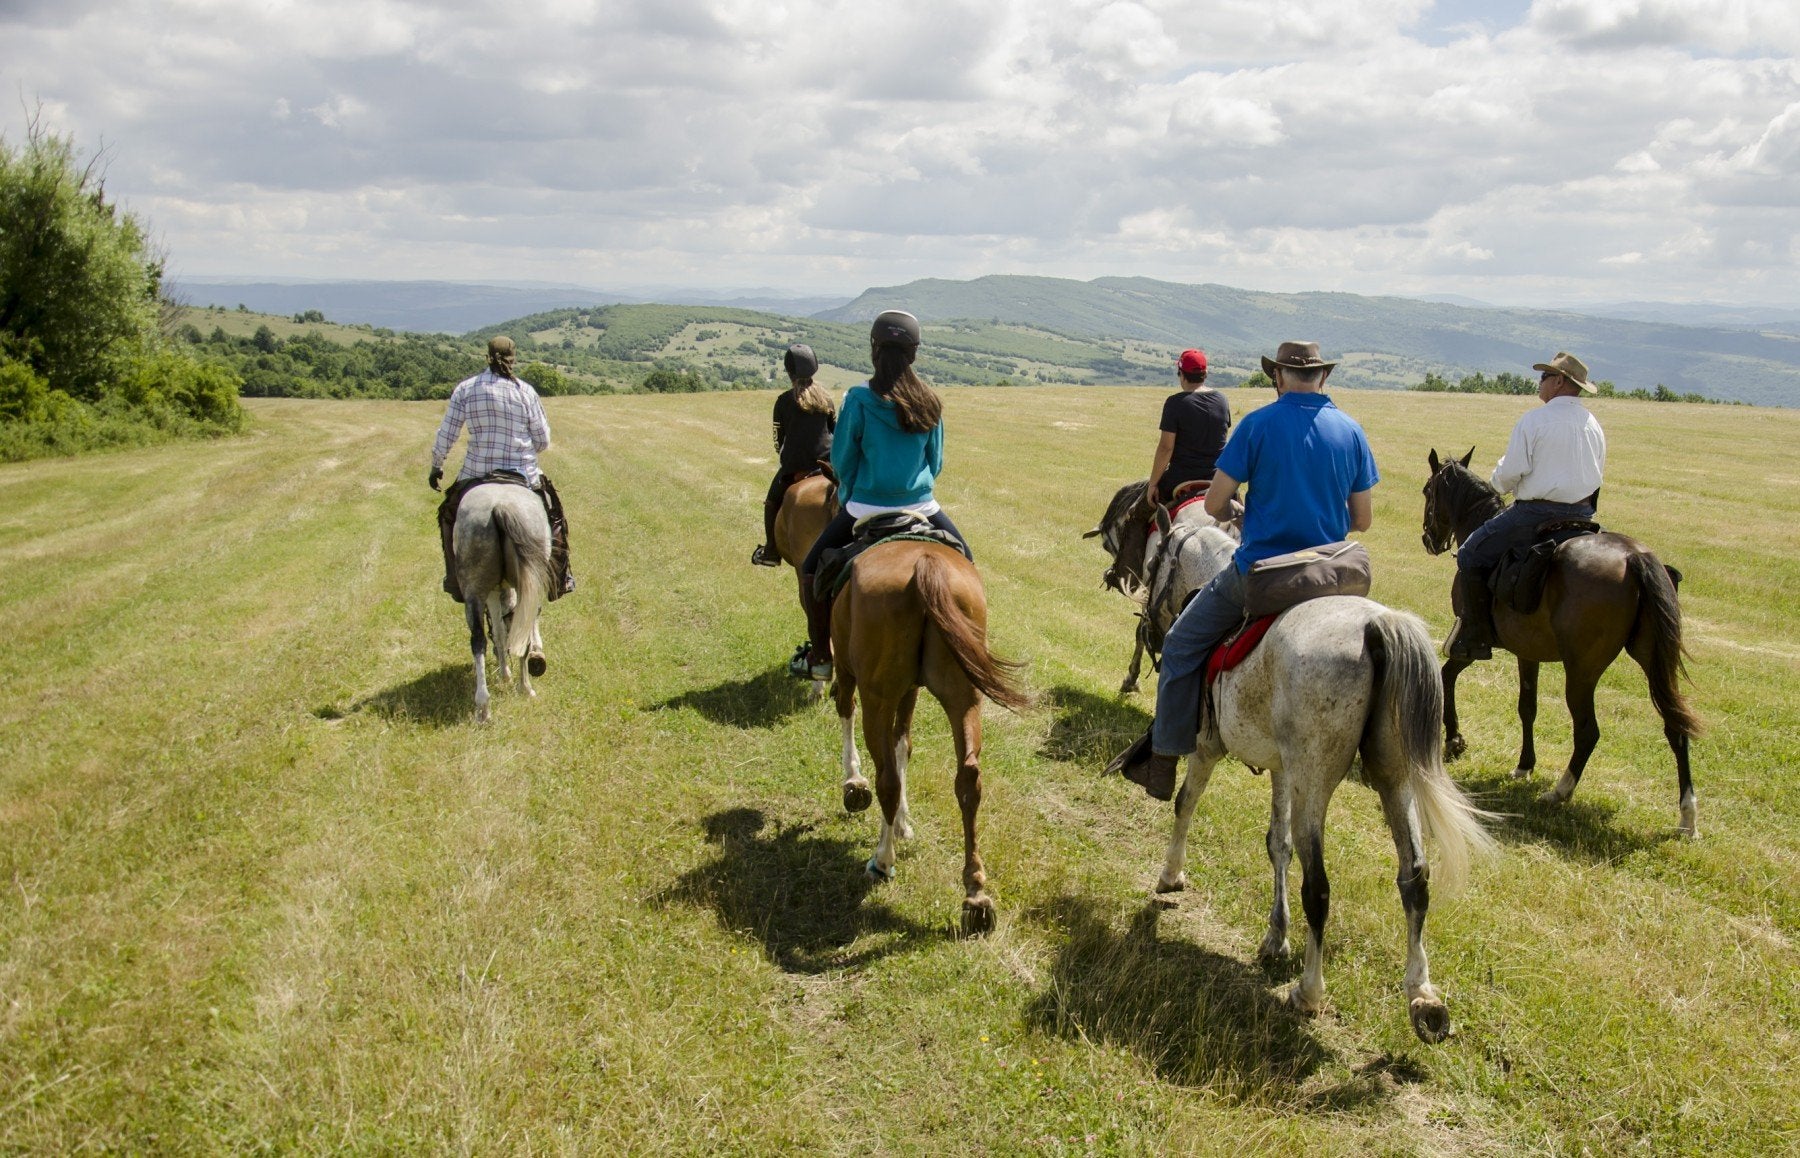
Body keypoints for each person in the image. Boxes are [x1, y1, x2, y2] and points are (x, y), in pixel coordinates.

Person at [1111, 341, 1379, 800]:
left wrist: (1242, 506)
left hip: (1264, 572)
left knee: (1179, 644)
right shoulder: (1352, 431)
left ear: (1277, 377)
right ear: (1323, 378)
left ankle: (1163, 759)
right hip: (1334, 572)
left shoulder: (1257, 424)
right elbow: (1362, 520)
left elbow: (1214, 505)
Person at [795, 310, 970, 681]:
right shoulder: (930, 401)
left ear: (875, 349)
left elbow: (841, 459)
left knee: (811, 568)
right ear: (914, 353)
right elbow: (935, 462)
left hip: (864, 506)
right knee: (966, 562)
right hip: (923, 505)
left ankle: (821, 657)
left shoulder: (858, 398)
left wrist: (853, 490)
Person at [1445, 351, 1605, 661]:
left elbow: (1510, 472)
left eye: (1544, 377)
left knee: (1469, 553)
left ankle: (1476, 634)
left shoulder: (1535, 420)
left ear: (1559, 381)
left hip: (1535, 513)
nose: (1540, 383)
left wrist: (1497, 484)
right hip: (1584, 515)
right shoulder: (1593, 424)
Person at [430, 336, 575, 609]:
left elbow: (446, 434)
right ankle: (560, 577)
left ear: (487, 357)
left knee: (448, 515)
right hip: (523, 474)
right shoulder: (526, 392)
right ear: (513, 358)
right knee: (554, 514)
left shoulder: (466, 389)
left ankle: (455, 577)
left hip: (477, 472)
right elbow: (543, 440)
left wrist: (437, 465)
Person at [751, 343, 836, 566]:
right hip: (828, 464)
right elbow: (834, 431)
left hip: (796, 465)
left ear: (789, 372)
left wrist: (785, 456)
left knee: (771, 502)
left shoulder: (783, 401)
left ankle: (770, 551)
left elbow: (778, 441)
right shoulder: (826, 399)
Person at [1147, 348, 1231, 505]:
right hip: (1217, 478)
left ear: (1181, 374)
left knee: (1140, 512)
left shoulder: (1175, 403)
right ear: (1205, 374)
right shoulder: (1222, 399)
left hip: (1181, 478)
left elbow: (1166, 448)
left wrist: (1152, 484)